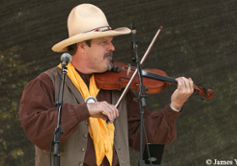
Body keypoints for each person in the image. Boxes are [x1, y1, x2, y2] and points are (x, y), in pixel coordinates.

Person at [19, 3, 194, 166]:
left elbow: (148, 139)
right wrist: (85, 110)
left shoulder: (118, 86)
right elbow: (37, 129)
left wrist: (174, 106)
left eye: (111, 41)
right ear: (82, 47)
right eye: (104, 42)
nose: (112, 48)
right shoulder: (46, 84)